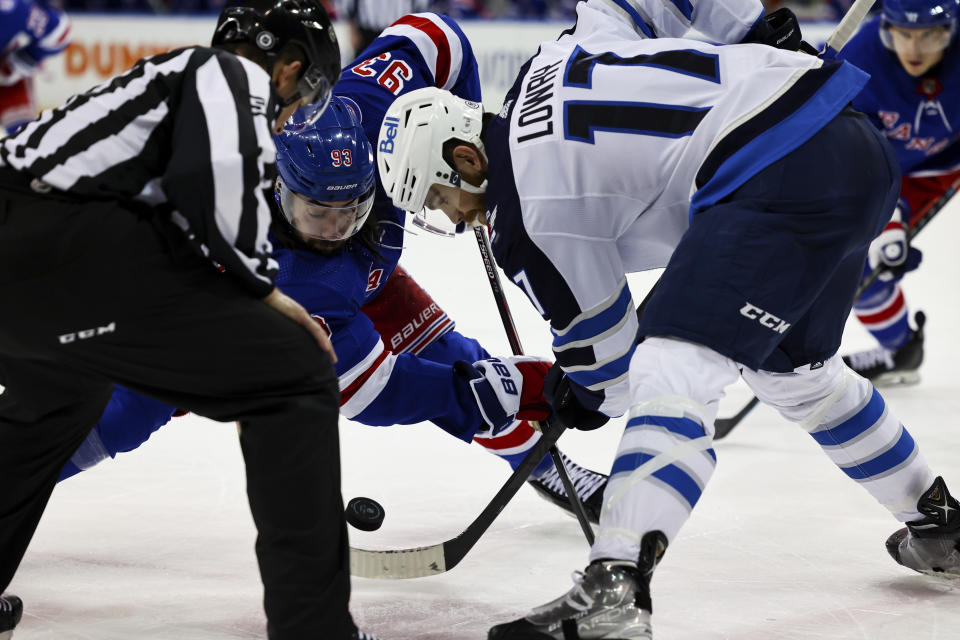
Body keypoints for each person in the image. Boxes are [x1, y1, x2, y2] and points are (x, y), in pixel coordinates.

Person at [375, 0, 960, 637]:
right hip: (854, 145)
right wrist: (749, 28)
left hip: (773, 175)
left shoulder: (525, 221)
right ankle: (941, 524)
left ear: (463, 156)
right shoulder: (553, 55)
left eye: (438, 197)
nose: (455, 218)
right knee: (796, 376)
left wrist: (569, 389)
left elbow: (614, 371)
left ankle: (614, 589)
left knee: (669, 368)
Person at [57, 12, 607, 523]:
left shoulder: (369, 110)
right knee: (124, 415)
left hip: (356, 284)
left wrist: (465, 131)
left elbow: (436, 37)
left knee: (450, 355)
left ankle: (542, 463)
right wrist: (509, 388)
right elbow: (377, 392)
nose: (333, 229)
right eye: (315, 213)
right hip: (210, 309)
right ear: (281, 190)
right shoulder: (297, 274)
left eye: (351, 211)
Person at [0, 0, 374, 638]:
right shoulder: (228, 75)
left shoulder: (163, 88)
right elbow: (218, 193)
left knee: (63, 399)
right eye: (305, 95)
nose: (291, 117)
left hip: (27, 260)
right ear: (286, 69)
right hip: (52, 248)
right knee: (295, 373)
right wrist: (269, 302)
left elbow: (171, 226)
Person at [836, 0, 960, 386]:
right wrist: (891, 214)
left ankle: (900, 350)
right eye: (902, 35)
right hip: (876, 167)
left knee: (865, 268)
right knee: (857, 266)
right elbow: (849, 147)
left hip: (941, 165)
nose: (914, 50)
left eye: (929, 36)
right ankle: (900, 348)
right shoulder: (862, 56)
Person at [0, 0, 70, 135]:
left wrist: (25, 59)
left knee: (24, 141)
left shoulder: (13, 9)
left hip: (7, 77)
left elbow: (60, 32)